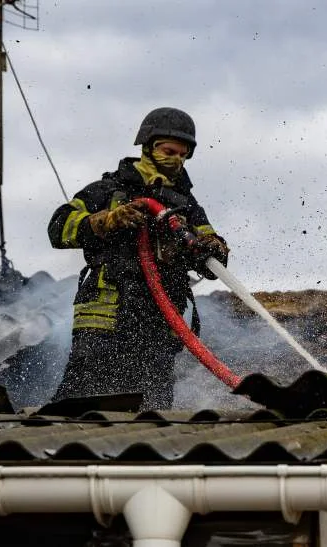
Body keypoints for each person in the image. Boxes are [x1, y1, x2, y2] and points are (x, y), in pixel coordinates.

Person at [47, 107, 230, 410]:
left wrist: (213, 247)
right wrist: (106, 221)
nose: (176, 160)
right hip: (105, 318)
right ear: (147, 147)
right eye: (168, 151)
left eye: (183, 155)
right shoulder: (108, 190)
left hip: (158, 325)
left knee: (152, 411)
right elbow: (57, 228)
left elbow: (212, 260)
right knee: (81, 407)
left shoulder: (186, 206)